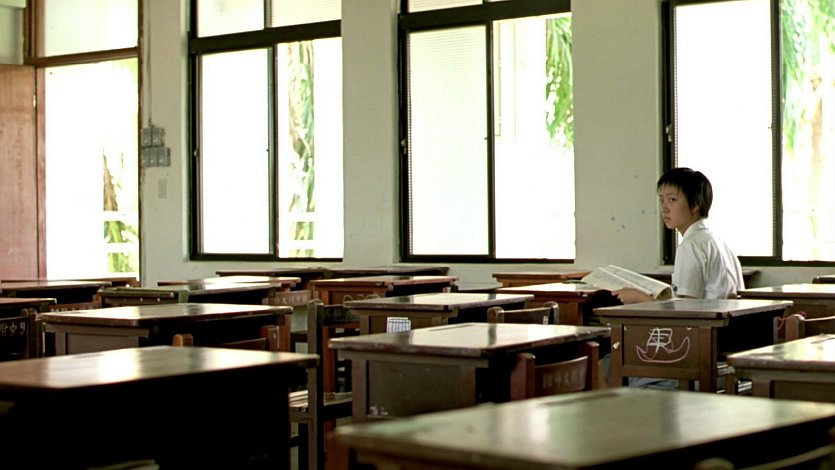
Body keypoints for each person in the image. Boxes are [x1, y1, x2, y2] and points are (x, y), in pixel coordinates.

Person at [604, 167, 745, 389]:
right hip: (726, 342)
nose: (664, 207)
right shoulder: (716, 241)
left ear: (695, 205)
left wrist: (639, 298)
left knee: (608, 364)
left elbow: (684, 315)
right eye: (661, 200)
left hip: (700, 347)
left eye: (672, 199)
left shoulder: (691, 245)